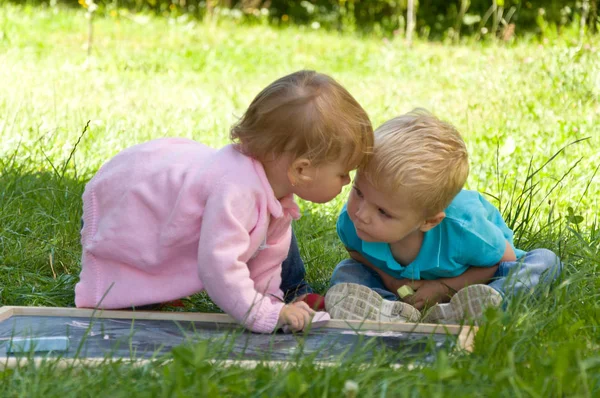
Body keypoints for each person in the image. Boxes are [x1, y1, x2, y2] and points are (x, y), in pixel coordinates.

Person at [75, 70, 373, 333]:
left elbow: (266, 262)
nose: (347, 181)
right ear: (301, 169)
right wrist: (259, 315)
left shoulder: (275, 194)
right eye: (342, 173)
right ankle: (139, 286)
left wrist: (272, 305)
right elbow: (219, 267)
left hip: (164, 184)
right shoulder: (236, 191)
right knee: (129, 277)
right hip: (132, 195)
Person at [324, 109, 562, 324]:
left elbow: (503, 260)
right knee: (346, 271)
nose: (361, 213)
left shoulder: (463, 228)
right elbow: (356, 252)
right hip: (400, 286)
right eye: (358, 191)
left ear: (428, 221)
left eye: (383, 212)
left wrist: (444, 287)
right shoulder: (352, 219)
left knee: (545, 262)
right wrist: (390, 282)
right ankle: (393, 310)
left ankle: (483, 306)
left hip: (473, 280)